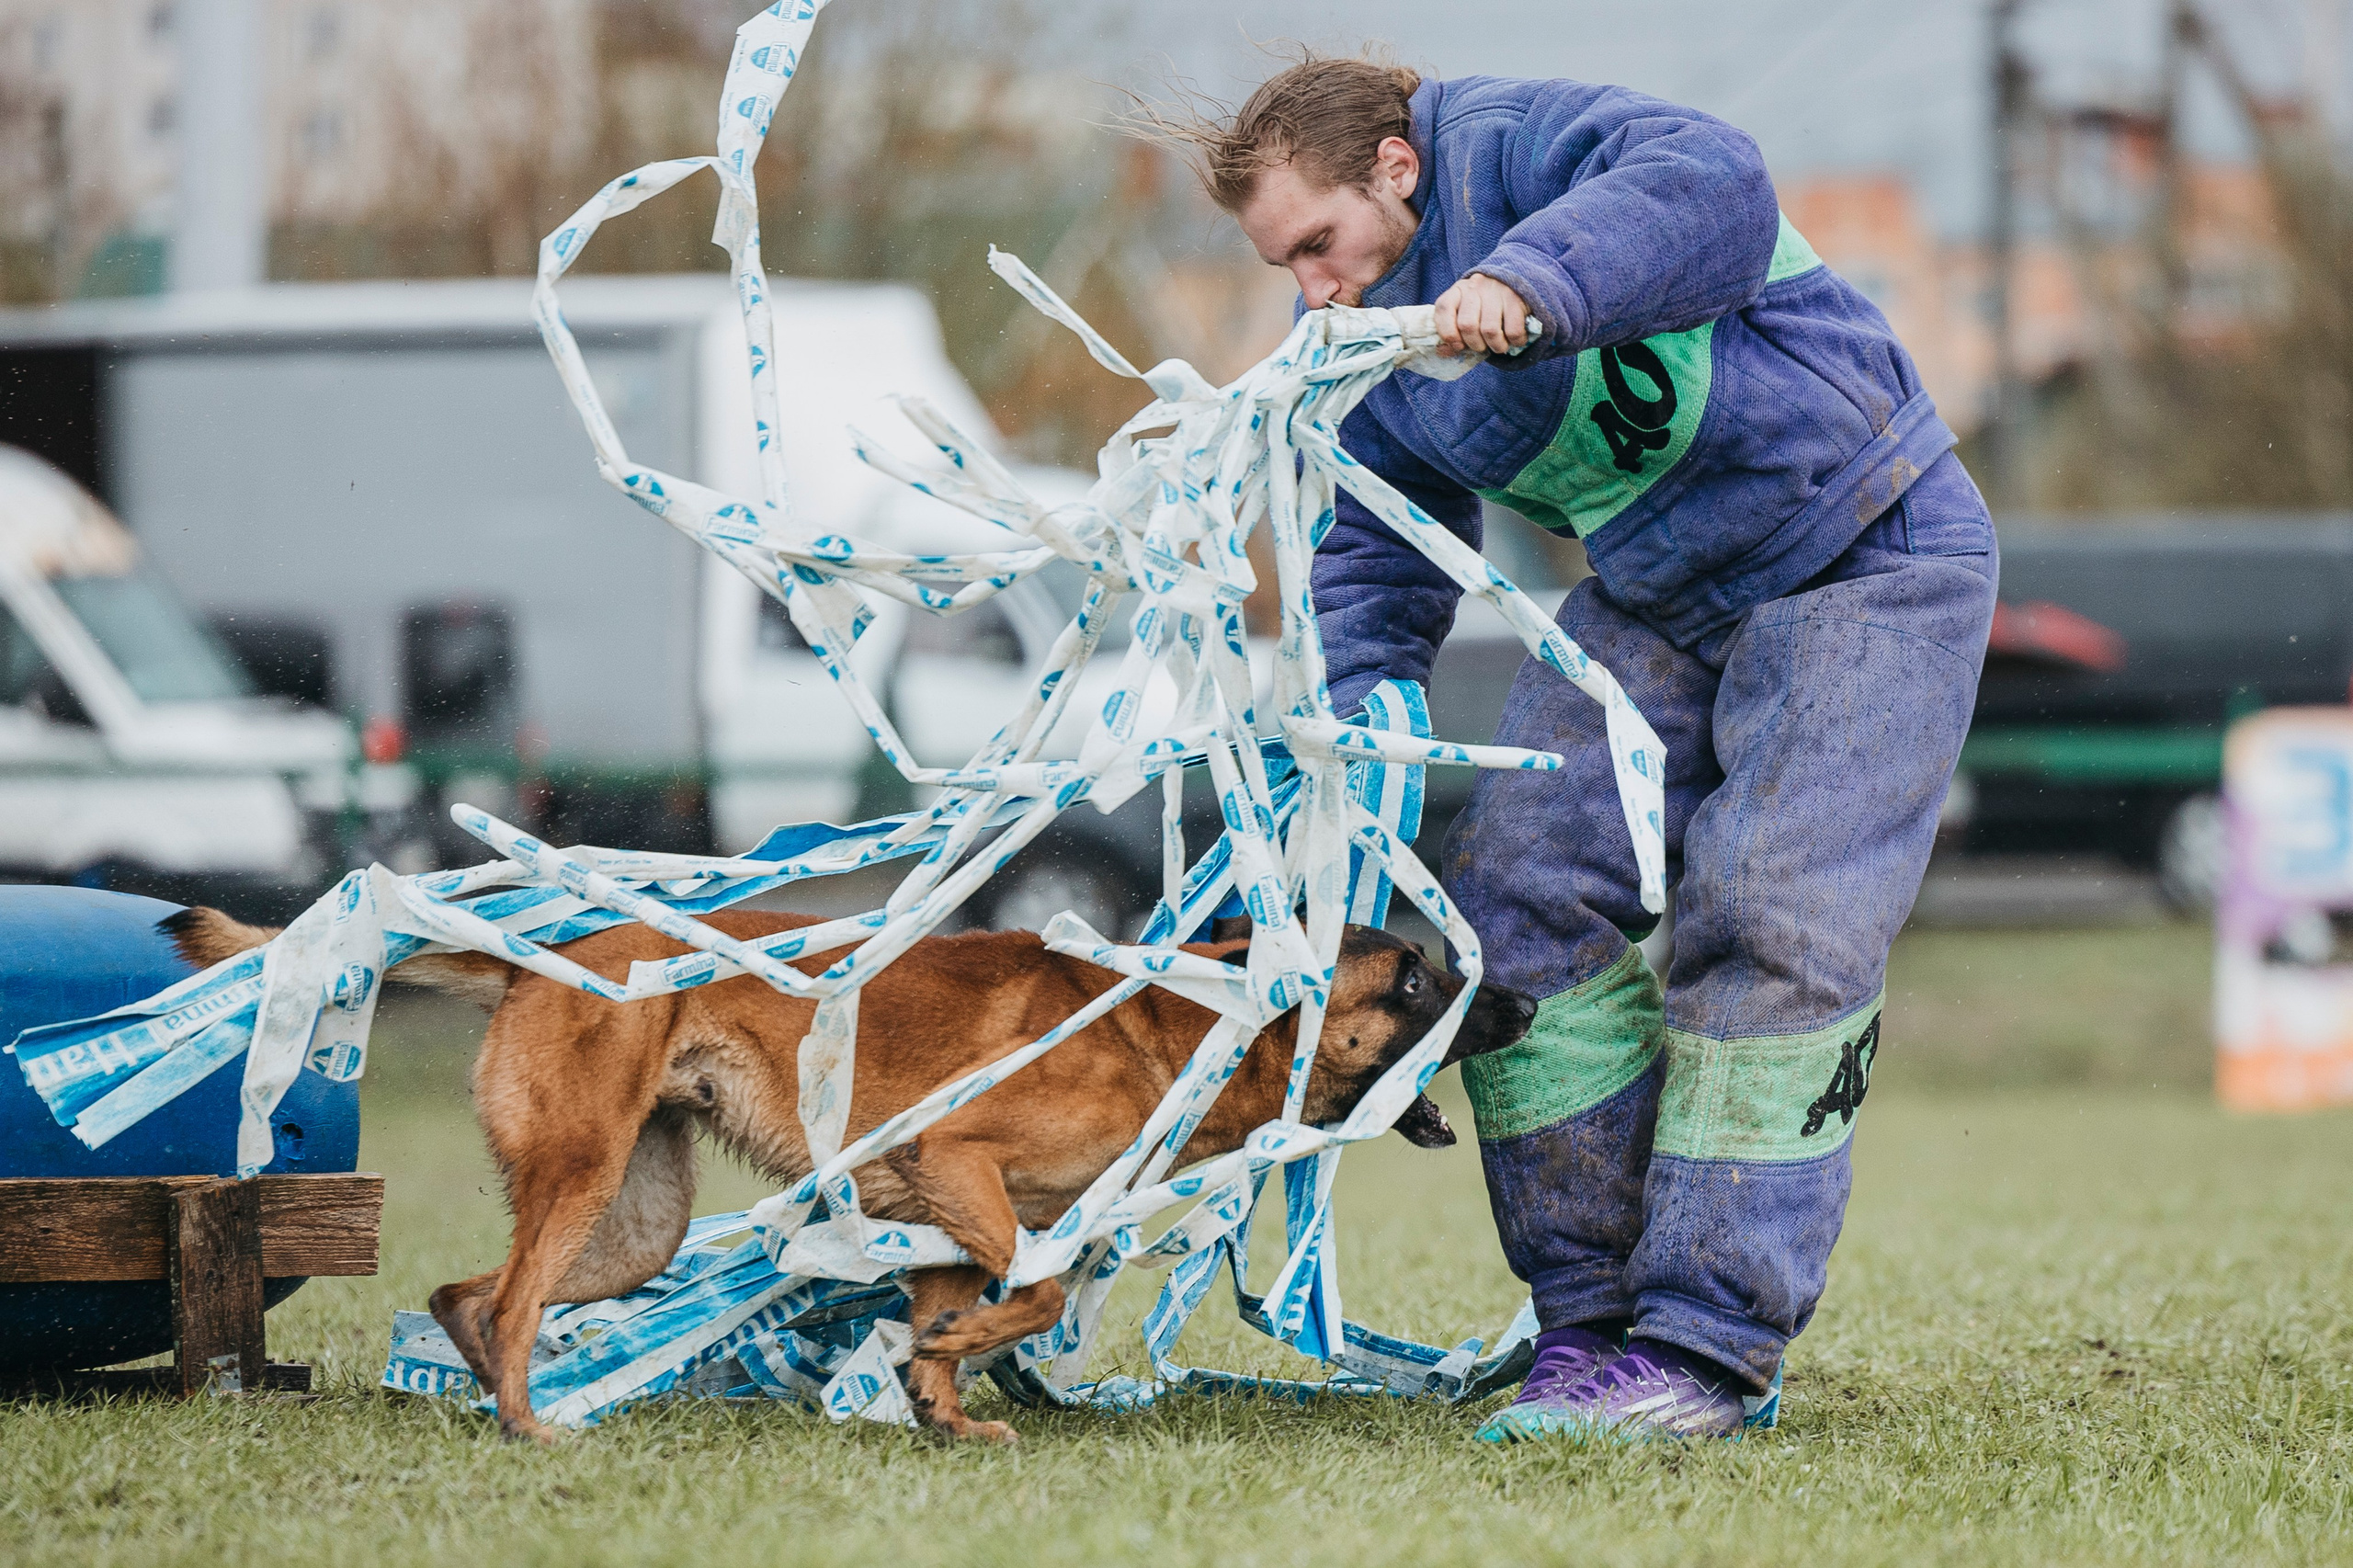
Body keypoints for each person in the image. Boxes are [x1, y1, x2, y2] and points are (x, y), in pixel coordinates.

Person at [1147, 54, 1996, 1442]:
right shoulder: (1380, 347)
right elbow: (1371, 552)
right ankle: (1593, 1330)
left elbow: (1712, 183)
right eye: (1284, 263)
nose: (1313, 286)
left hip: (1870, 550)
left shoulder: (1510, 145)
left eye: (1318, 242)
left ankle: (1710, 1351)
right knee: (1516, 911)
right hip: (1667, 592)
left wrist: (1535, 283)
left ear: (1396, 170)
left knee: (1769, 913)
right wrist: (1366, 723)